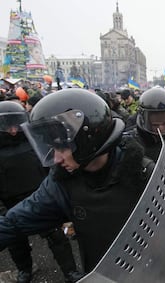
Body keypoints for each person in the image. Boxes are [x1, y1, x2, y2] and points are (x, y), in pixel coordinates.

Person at [0, 89, 153, 275]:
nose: (56, 159)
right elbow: (14, 223)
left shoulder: (143, 173)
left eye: (62, 147)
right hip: (101, 276)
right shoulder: (61, 184)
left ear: (87, 140)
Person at [0, 101, 82, 283]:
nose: (13, 131)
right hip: (10, 201)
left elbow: (52, 168)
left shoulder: (34, 141)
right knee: (16, 242)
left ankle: (70, 271)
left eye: (16, 125)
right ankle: (24, 270)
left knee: (56, 238)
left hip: (41, 197)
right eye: (7, 126)